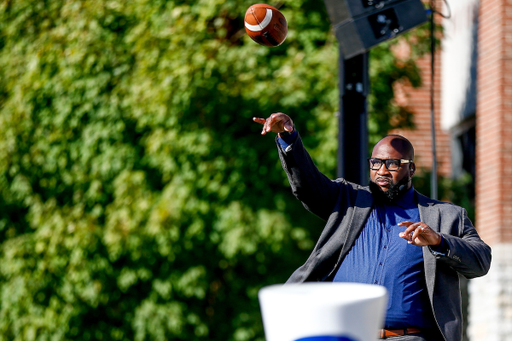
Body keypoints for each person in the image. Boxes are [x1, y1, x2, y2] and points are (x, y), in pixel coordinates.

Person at [253, 113, 491, 341]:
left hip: (408, 337)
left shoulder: (446, 216)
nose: (382, 171)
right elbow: (308, 184)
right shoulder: (349, 200)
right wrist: (288, 138)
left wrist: (439, 241)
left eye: (393, 164)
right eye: (376, 163)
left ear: (412, 169)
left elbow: (481, 261)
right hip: (346, 335)